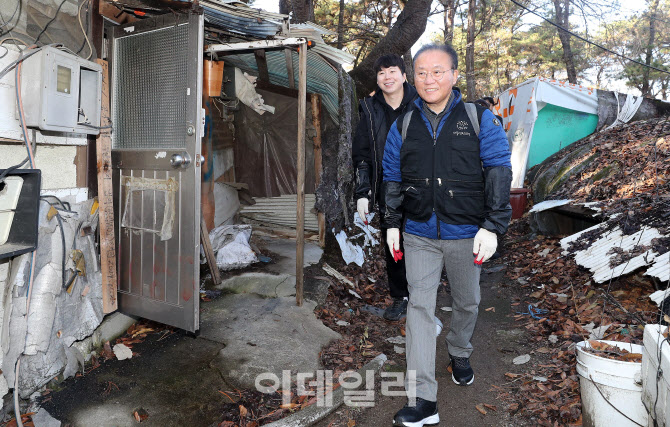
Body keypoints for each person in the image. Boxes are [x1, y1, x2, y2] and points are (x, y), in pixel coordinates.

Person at [382, 44, 512, 426]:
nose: (429, 80)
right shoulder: (404, 124)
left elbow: (499, 172)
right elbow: (391, 174)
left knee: (468, 301)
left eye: (437, 71)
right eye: (421, 72)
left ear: (455, 76)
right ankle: (423, 400)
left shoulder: (478, 118)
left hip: (465, 232)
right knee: (420, 309)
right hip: (419, 232)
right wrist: (392, 221)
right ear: (412, 78)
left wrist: (493, 225)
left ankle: (459, 350)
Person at [352, 53, 418, 321]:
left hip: (422, 186)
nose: (387, 77)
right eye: (381, 73)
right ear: (377, 80)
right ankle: (400, 296)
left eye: (392, 71)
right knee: (394, 242)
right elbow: (362, 154)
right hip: (386, 188)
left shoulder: (421, 102)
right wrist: (363, 191)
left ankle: (424, 294)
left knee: (422, 240)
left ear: (404, 75)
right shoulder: (369, 109)